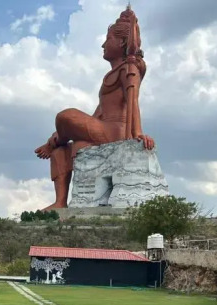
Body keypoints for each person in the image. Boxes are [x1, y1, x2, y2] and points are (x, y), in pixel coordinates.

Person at [34, 5, 155, 210]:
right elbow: (97, 114)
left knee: (65, 116)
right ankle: (60, 201)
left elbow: (133, 101)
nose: (103, 45)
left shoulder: (129, 68)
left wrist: (138, 134)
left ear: (122, 42)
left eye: (108, 39)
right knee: (62, 151)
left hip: (115, 131)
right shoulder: (113, 73)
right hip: (102, 129)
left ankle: (53, 142)